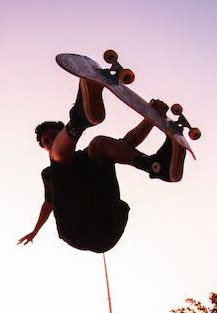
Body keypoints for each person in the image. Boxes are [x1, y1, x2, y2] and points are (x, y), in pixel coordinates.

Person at [18, 79, 187, 254]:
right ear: (44, 147)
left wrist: (151, 117)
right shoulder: (49, 174)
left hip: (108, 223)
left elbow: (129, 142)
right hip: (76, 230)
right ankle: (78, 120)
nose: (51, 142)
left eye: (54, 136)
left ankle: (158, 166)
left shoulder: (91, 155)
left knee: (100, 144)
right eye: (47, 142)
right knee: (58, 164)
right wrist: (35, 231)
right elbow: (48, 204)